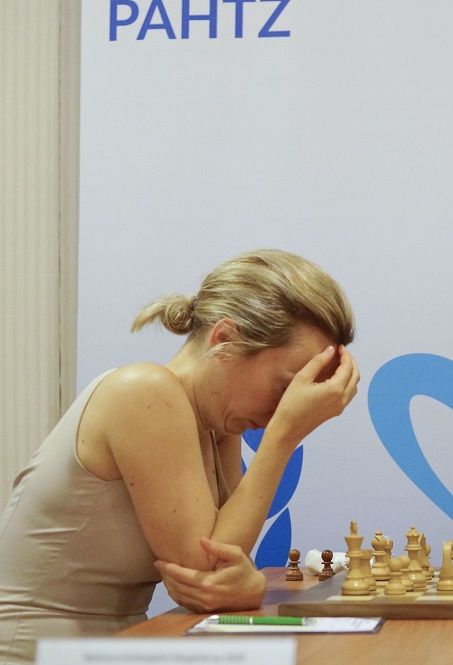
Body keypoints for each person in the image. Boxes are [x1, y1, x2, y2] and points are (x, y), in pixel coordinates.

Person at [0, 249, 360, 664]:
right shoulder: (144, 390)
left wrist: (249, 583)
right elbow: (209, 571)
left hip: (112, 648)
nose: (284, 410)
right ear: (225, 339)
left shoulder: (217, 424)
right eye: (285, 388)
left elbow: (225, 569)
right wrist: (284, 435)